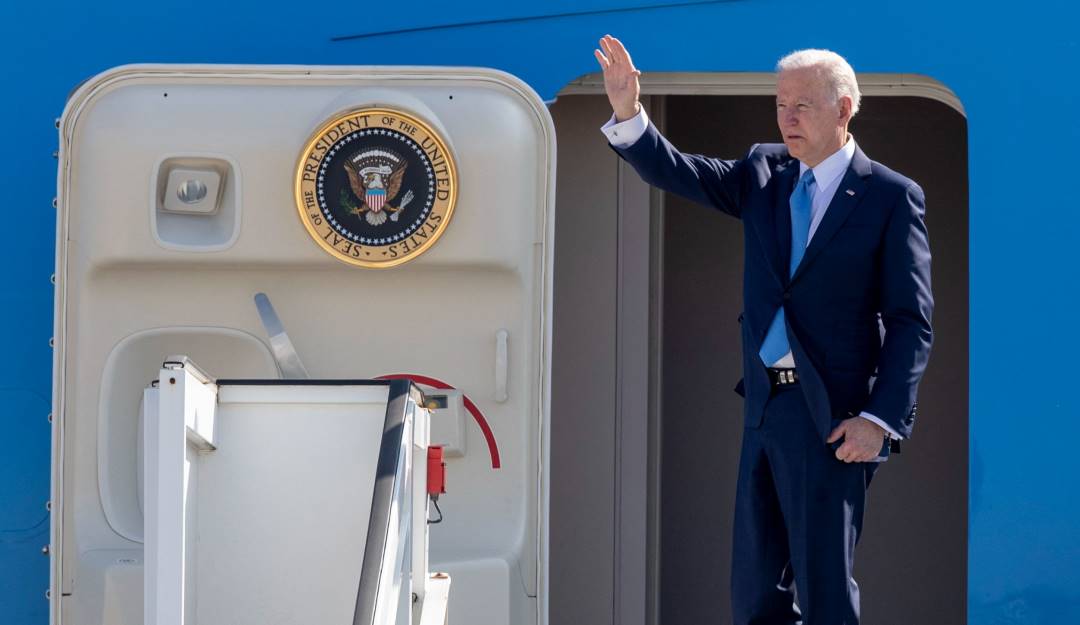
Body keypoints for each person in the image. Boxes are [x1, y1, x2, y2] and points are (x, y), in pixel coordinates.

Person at [593, 35, 933, 624]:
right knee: (754, 594)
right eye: (780, 104)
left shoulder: (890, 196)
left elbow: (911, 322)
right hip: (766, 406)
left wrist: (879, 421)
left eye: (802, 104)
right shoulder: (764, 171)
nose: (787, 117)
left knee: (824, 591)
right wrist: (628, 112)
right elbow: (680, 172)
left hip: (835, 416)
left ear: (844, 108)